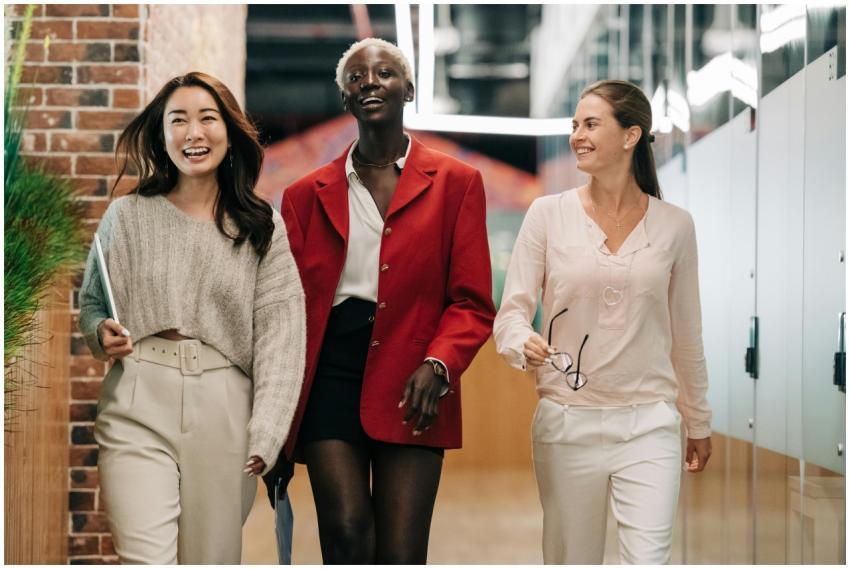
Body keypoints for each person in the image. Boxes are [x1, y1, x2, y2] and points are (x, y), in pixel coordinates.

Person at [275, 37, 495, 564]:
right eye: (356, 77)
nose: (369, 81)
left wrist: (439, 365)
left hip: (416, 376)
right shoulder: (304, 195)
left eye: (384, 73)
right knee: (347, 532)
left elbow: (472, 301)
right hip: (330, 373)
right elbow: (284, 307)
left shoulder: (457, 183)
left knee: (400, 551)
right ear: (345, 100)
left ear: (409, 89)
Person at [78, 72, 306, 564]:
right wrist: (101, 333)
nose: (192, 133)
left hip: (226, 409)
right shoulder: (126, 216)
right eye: (177, 121)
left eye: (207, 118)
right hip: (138, 396)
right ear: (162, 135)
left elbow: (282, 339)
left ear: (230, 130)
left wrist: (268, 429)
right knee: (145, 559)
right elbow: (94, 302)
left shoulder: (261, 228)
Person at [493, 79, 712, 564]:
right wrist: (520, 341)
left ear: (631, 136)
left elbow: (686, 333)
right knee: (574, 559)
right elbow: (511, 315)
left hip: (650, 425)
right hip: (567, 425)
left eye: (591, 124)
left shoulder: (676, 226)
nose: (577, 136)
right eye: (574, 126)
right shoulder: (547, 215)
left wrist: (697, 419)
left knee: (649, 560)